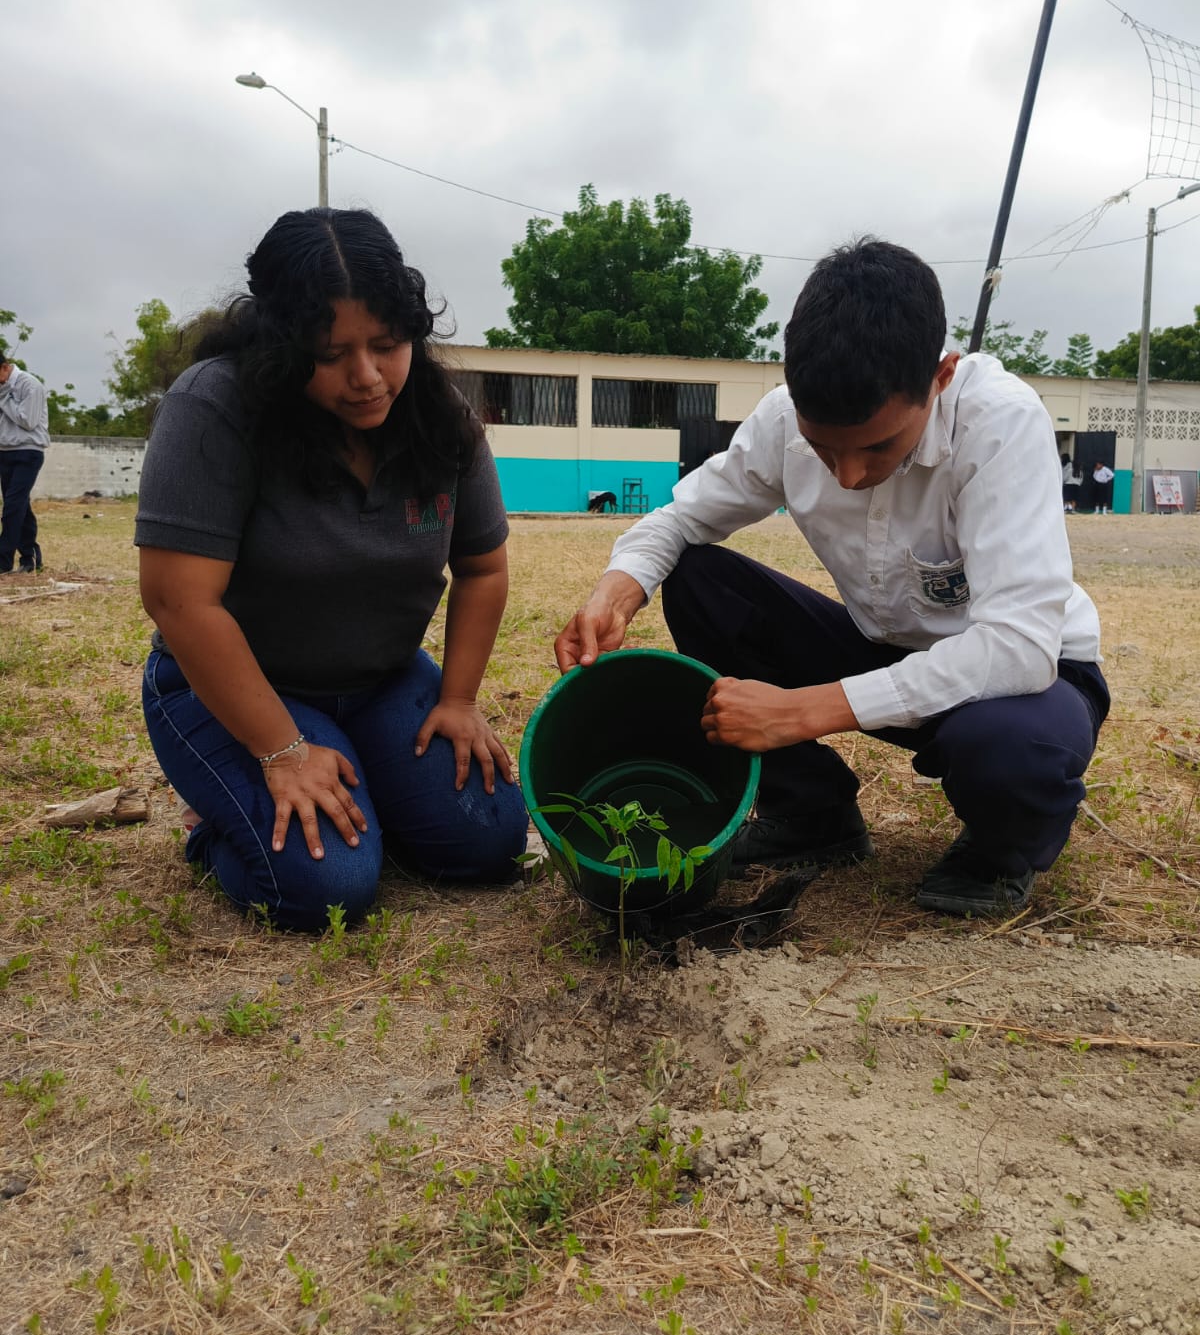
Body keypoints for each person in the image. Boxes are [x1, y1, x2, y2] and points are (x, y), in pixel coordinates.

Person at [555, 239, 1109, 917]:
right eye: (822, 448)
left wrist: (799, 711)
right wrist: (617, 591)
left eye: (878, 446)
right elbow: (679, 519)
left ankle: (1001, 850)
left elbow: (1018, 647)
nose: (847, 476)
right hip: (884, 649)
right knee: (700, 578)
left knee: (1013, 748)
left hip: (1027, 683)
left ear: (940, 377)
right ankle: (812, 814)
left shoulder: (999, 423)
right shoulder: (782, 418)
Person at [136, 208, 527, 932]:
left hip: (382, 683)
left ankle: (367, 782)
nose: (367, 377)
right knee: (328, 886)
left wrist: (459, 698)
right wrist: (282, 751)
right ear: (281, 345)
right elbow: (179, 601)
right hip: (235, 690)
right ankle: (214, 826)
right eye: (330, 353)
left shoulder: (439, 415)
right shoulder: (215, 406)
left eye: (387, 345)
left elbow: (482, 569)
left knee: (489, 839)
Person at [0, 357, 49, 577]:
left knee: (12, 506)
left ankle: (3, 561)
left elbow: (28, 421)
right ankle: (30, 558)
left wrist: (4, 399)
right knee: (20, 507)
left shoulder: (30, 385)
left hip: (28, 451)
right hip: (5, 451)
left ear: (4, 367)